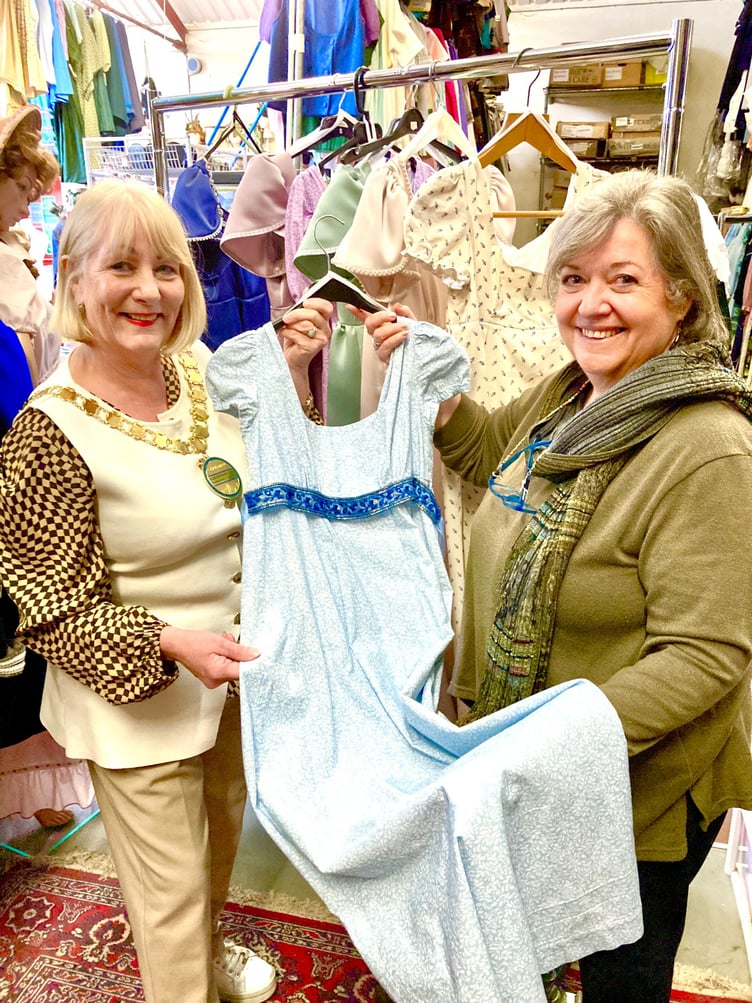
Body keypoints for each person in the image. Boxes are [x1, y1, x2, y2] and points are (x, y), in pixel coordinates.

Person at [359, 169, 752, 1002]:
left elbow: (706, 656)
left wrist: (538, 741)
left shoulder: (708, 447)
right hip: (524, 765)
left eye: (624, 280)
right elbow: (482, 455)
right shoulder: (569, 393)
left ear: (681, 298)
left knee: (620, 978)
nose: (592, 304)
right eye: (575, 280)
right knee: (516, 942)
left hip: (635, 798)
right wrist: (432, 392)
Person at [0, 178, 331, 1003]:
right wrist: (167, 641)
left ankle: (200, 957)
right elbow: (48, 601)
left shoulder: (197, 371)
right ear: (74, 277)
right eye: (122, 267)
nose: (149, 291)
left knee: (217, 850)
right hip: (137, 700)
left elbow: (240, 477)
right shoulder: (50, 427)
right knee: (170, 896)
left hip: (229, 683)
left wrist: (288, 368)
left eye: (168, 268)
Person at [0, 104, 94, 832]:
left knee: (35, 630)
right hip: (13, 445)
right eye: (22, 181)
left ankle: (38, 786)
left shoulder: (18, 251)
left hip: (35, 445)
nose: (33, 195)